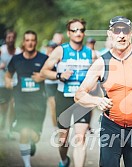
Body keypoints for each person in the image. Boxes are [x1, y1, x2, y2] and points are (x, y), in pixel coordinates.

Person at [74, 16, 132, 167]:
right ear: (110, 34)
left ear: (130, 34)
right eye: (116, 31)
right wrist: (97, 100)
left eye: (125, 30)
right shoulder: (101, 63)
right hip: (111, 126)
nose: (121, 35)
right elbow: (79, 94)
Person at [40, 18, 96, 167]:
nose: (78, 33)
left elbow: (100, 76)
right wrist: (59, 76)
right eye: (74, 30)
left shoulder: (91, 53)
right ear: (68, 33)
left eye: (81, 30)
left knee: (80, 138)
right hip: (63, 98)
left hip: (82, 100)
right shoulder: (61, 50)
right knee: (63, 139)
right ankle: (64, 160)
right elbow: (44, 71)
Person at [5, 30, 47, 167]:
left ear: (36, 42)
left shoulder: (43, 58)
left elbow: (52, 73)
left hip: (38, 103)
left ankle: (32, 141)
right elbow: (8, 74)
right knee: (24, 131)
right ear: (23, 42)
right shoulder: (16, 59)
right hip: (21, 101)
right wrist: (7, 81)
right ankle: (27, 164)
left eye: (32, 40)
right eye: (27, 40)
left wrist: (42, 76)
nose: (30, 42)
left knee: (35, 136)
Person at [0, 30, 22, 137]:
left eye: (12, 37)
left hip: (15, 82)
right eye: (8, 37)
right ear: (6, 39)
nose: (11, 39)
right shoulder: (1, 50)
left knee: (13, 105)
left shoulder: (18, 51)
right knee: (4, 106)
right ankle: (2, 118)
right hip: (2, 82)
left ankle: (9, 130)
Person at [44, 33, 64, 128]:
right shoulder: (45, 58)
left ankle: (59, 124)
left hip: (58, 83)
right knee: (53, 106)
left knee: (59, 106)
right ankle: (55, 127)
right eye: (50, 47)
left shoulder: (59, 57)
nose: (51, 49)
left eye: (53, 47)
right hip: (49, 84)